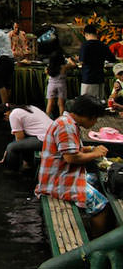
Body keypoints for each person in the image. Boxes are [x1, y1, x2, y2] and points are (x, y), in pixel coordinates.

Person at [36, 95, 112, 238]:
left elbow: (71, 150)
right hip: (58, 182)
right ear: (88, 116)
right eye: (95, 119)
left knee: (95, 179)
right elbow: (71, 157)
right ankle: (97, 244)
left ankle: (89, 218)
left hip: (61, 174)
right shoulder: (67, 127)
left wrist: (90, 149)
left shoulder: (66, 122)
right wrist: (95, 154)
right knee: (102, 206)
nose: (95, 122)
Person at [0, 103, 52, 171]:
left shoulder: (13, 115)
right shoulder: (28, 107)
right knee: (19, 143)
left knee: (11, 148)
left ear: (5, 115)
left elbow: (20, 139)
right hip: (52, 133)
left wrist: (6, 152)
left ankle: (12, 172)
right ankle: (27, 164)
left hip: (45, 139)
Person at [79, 24, 116, 97]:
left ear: (86, 34)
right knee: (99, 102)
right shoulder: (103, 45)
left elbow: (82, 61)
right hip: (100, 78)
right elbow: (112, 59)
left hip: (88, 78)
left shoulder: (85, 45)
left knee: (87, 102)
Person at [46, 52, 77, 118]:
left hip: (51, 85)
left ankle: (47, 117)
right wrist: (69, 60)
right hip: (61, 85)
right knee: (61, 104)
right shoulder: (63, 67)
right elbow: (74, 65)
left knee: (50, 103)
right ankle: (61, 118)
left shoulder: (49, 68)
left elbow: (46, 72)